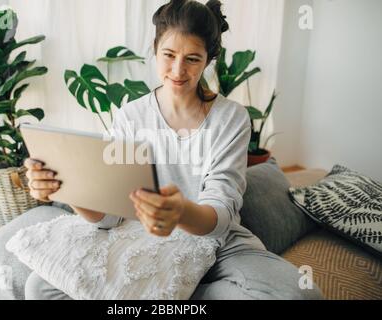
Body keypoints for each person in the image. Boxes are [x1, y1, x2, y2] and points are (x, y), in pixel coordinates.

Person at [23, 0, 323, 300]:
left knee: (301, 295)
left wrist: (180, 212)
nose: (178, 70)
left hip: (213, 239)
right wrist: (67, 189)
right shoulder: (131, 116)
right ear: (155, 49)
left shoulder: (231, 118)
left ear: (207, 60)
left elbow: (220, 216)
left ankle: (176, 294)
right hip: (142, 237)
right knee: (39, 288)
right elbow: (110, 218)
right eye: (168, 55)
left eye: (193, 59)